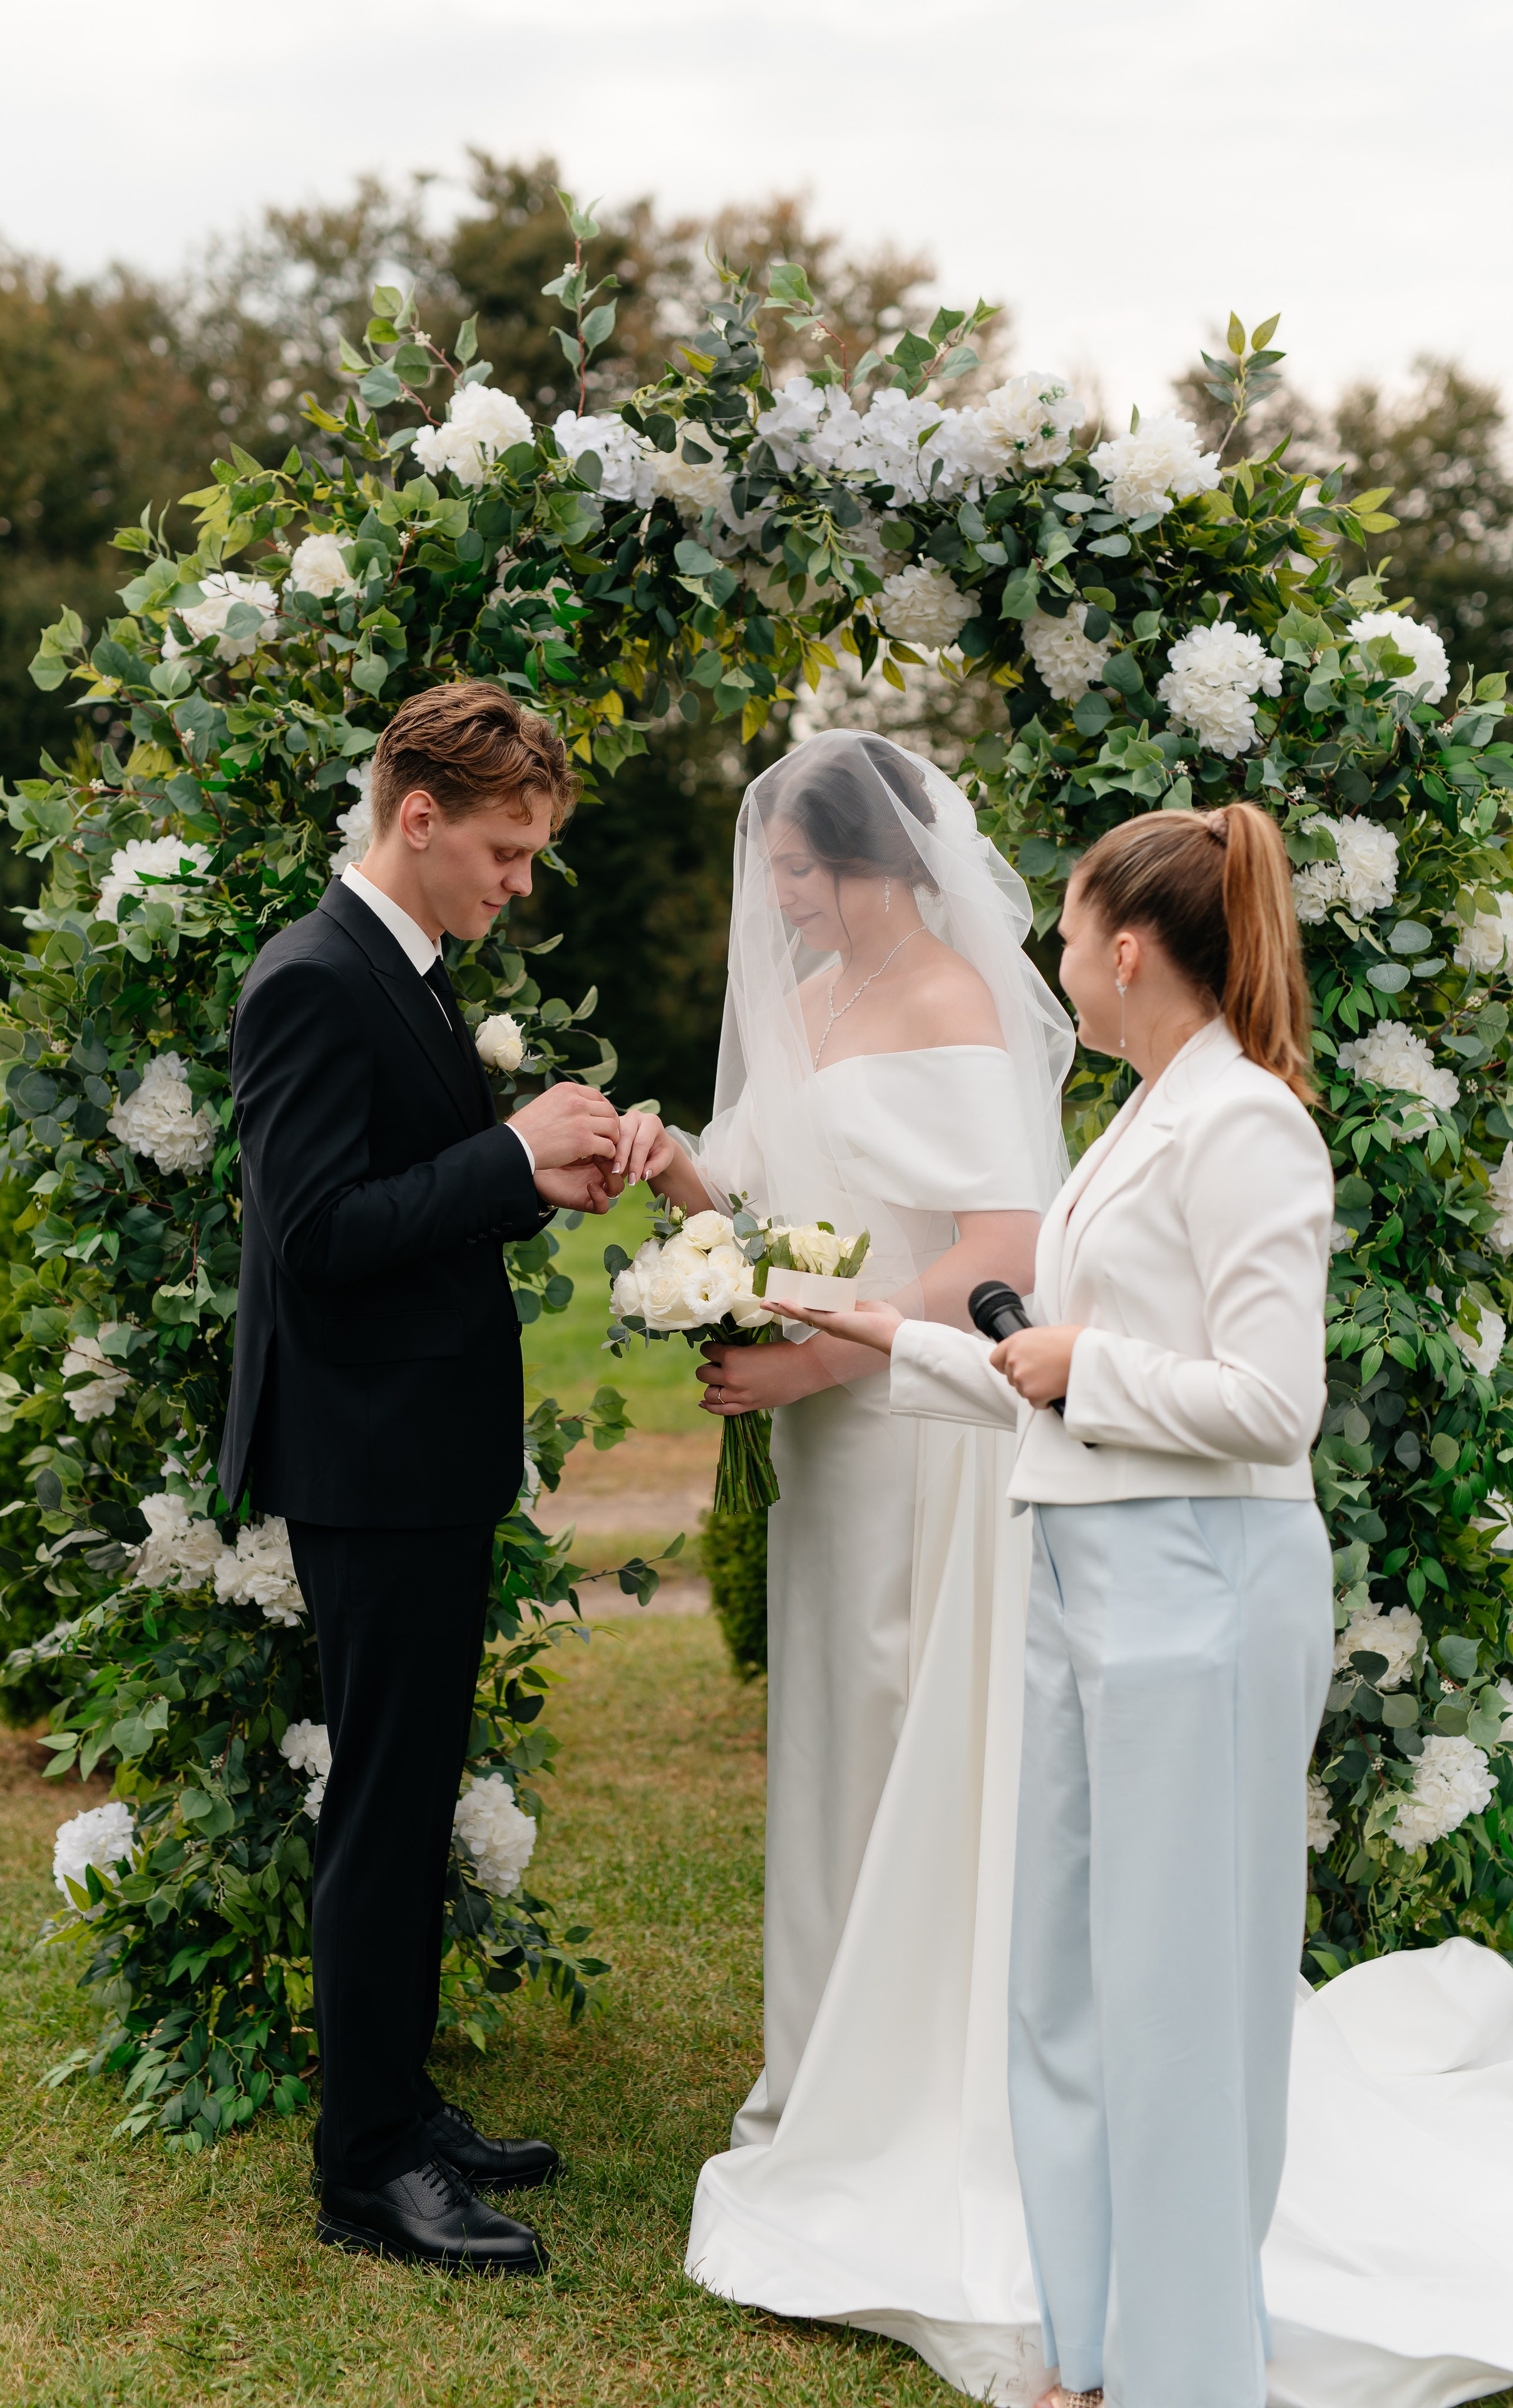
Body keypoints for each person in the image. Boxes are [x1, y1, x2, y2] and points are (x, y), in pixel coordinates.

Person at [794, 802, 1335, 2405]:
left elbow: (1270, 1401)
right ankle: (1092, 2345)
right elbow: (1048, 1376)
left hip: (1202, 1589)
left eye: (1063, 936)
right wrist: (876, 1333)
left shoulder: (1245, 1124)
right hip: (1084, 1573)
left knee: (1173, 1998)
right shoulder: (1136, 1115)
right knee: (1062, 1986)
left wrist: (1078, 1364)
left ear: (1122, 947)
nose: (1048, 967)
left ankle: (1183, 2373)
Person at [610, 732, 1072, 2262]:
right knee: (827, 1741)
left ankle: (921, 2077)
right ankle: (822, 2073)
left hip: (914, 1431)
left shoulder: (952, 1002)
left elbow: (990, 1250)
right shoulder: (809, 1006)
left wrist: (816, 1368)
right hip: (826, 1455)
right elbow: (765, 1214)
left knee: (902, 1735)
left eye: (799, 872)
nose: (783, 899)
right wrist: (675, 1182)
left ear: (876, 862)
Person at [218, 681, 644, 2270]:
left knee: (409, 1795)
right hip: (368, 1457)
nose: (520, 881)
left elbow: (411, 1199)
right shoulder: (313, 982)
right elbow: (319, 1240)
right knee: (385, 1814)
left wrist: (533, 1176)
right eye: (506, 849)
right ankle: (366, 2167)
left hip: (418, 1446)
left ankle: (398, 2105)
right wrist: (505, 1151)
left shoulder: (406, 969)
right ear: (415, 817)